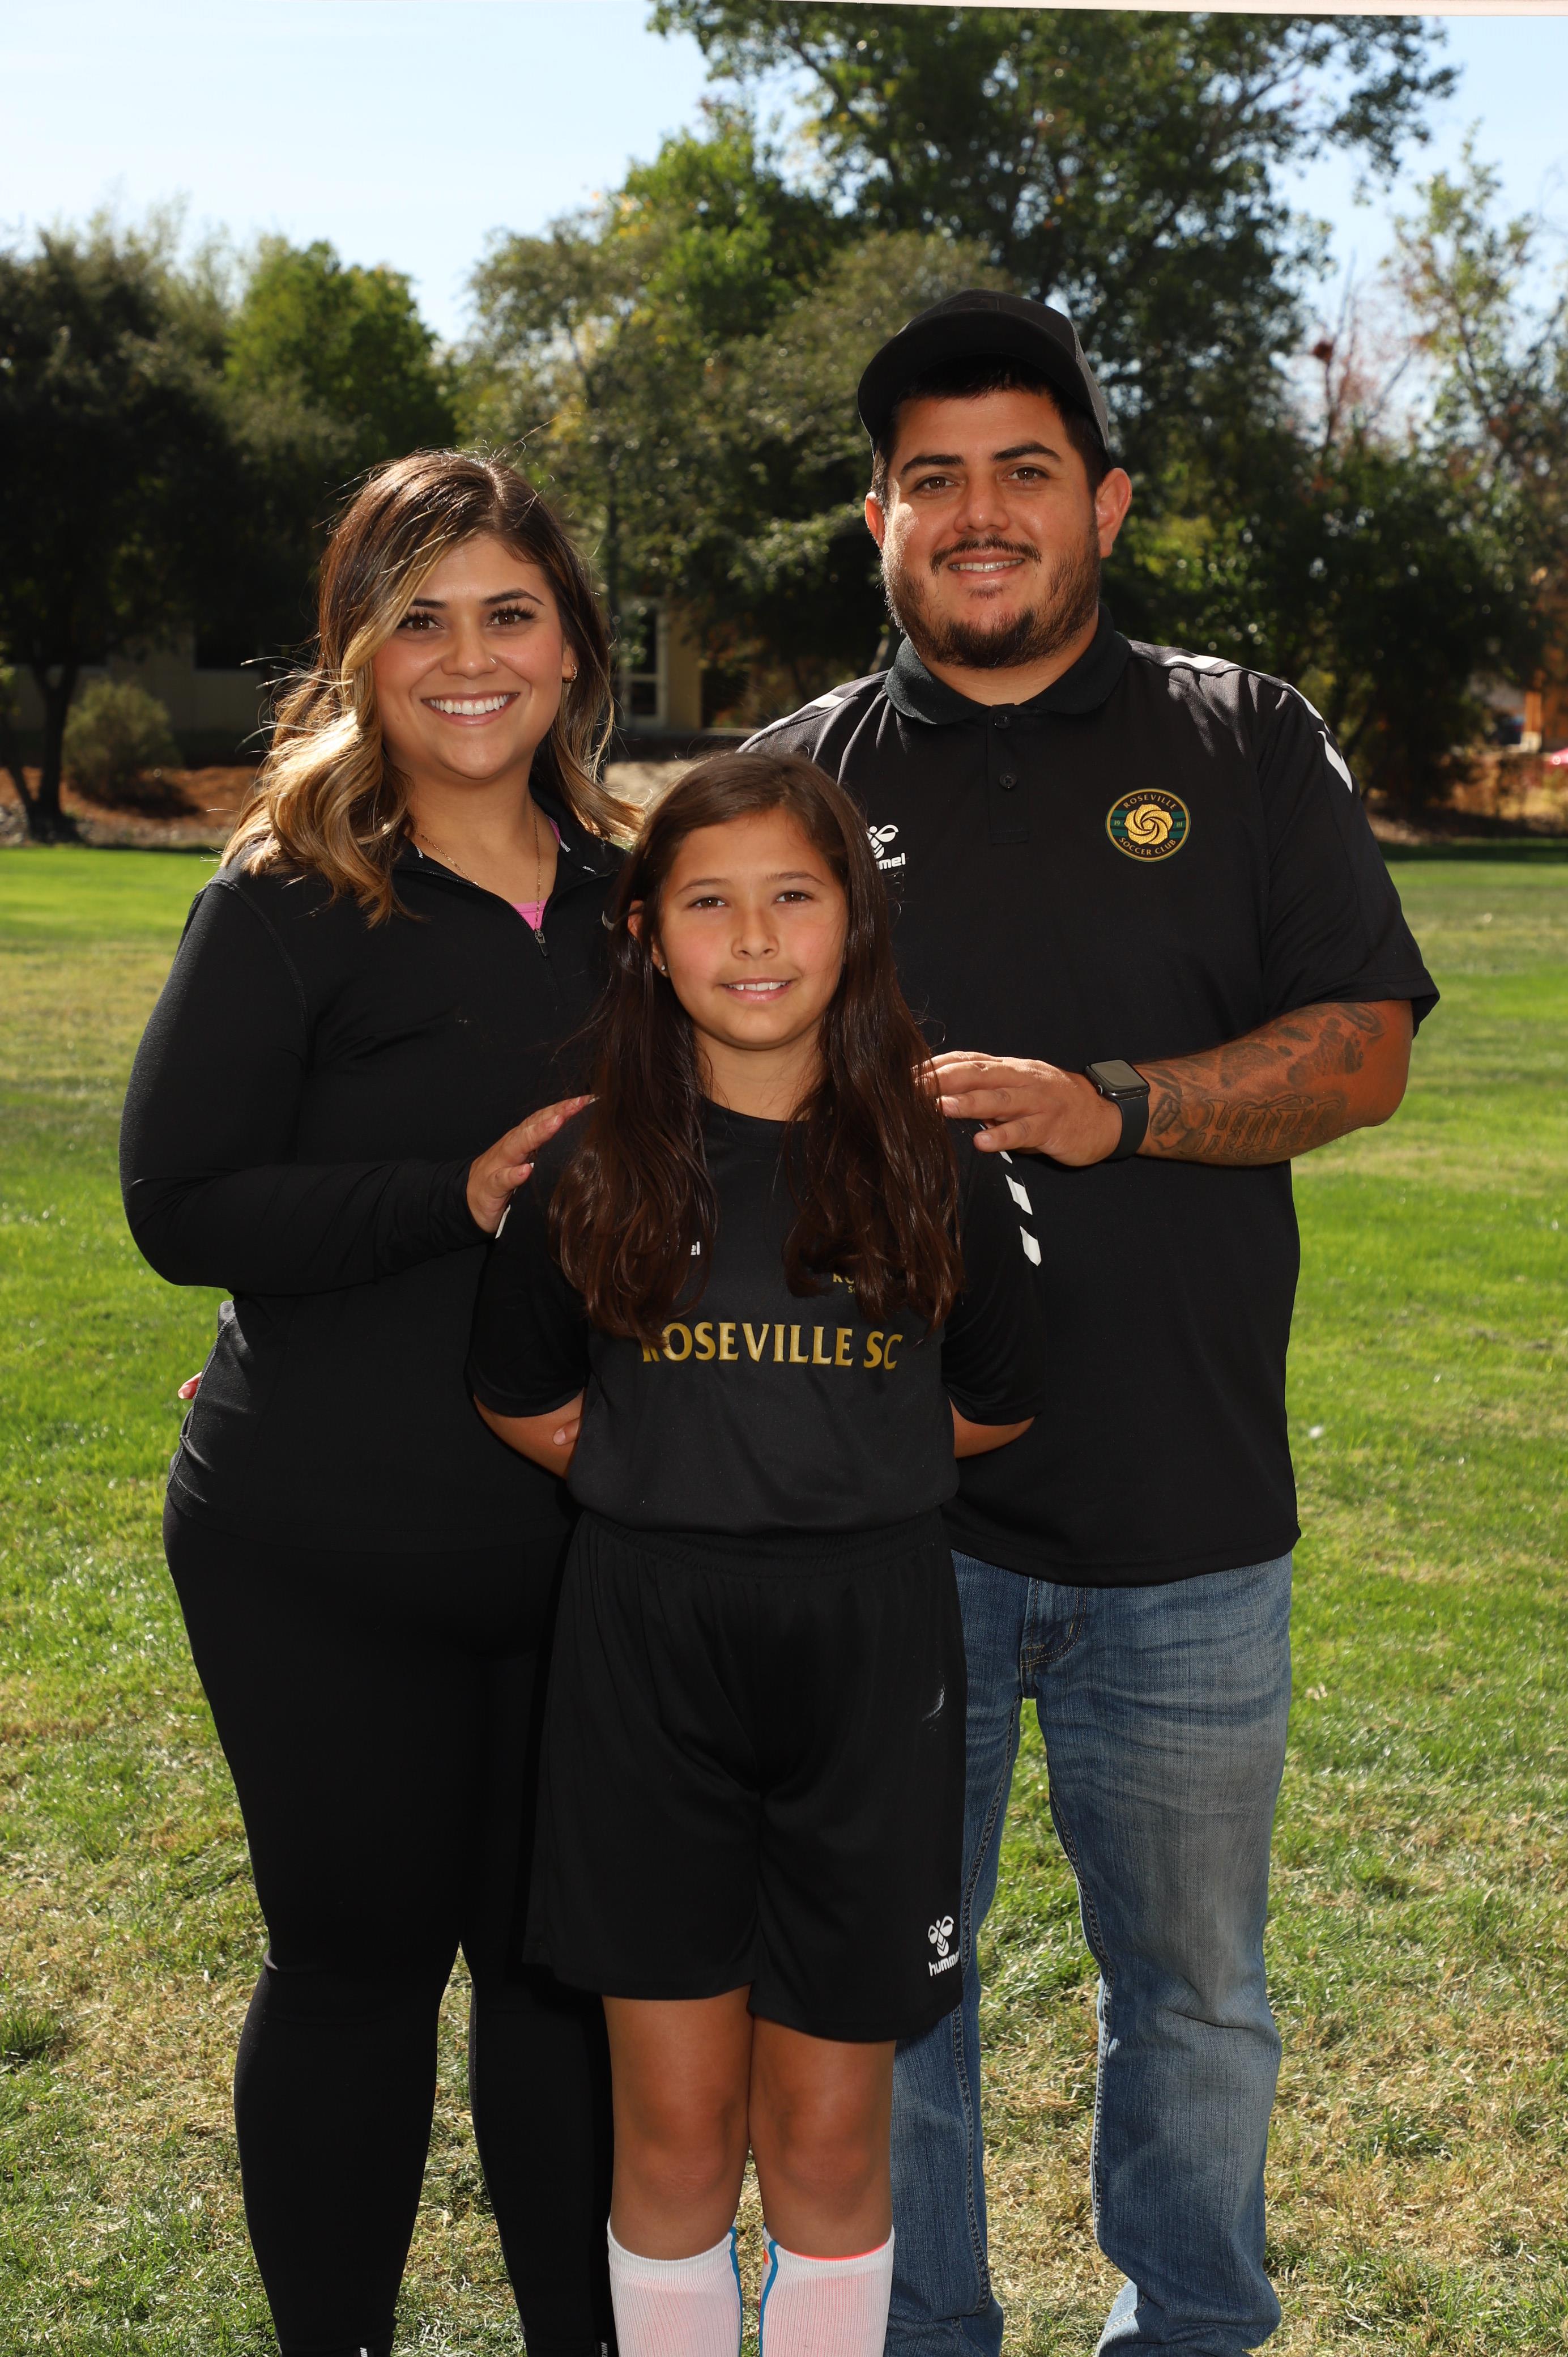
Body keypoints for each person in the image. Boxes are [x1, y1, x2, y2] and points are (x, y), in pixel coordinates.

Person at [747, 291, 1439, 2357]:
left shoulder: (1244, 737)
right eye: (934, 479)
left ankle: (1197, 2332)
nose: (981, 514)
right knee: (887, 1995)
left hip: (1188, 1522)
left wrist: (1113, 1108)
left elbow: (1366, 1048)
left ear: (1106, 505)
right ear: (879, 519)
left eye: (1025, 472)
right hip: (883, 1526)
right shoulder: (790, 782)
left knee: (1200, 1996)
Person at [120, 451, 638, 2357]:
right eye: (419, 618)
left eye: (510, 612)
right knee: (355, 1970)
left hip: (585, 1542)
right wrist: (455, 1195)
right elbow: (180, 1204)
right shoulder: (288, 899)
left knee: (558, 1979)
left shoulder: (641, 901)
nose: (469, 657)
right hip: (323, 1549)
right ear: (356, 654)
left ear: (573, 648)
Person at [465, 752, 1043, 2357]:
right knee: (672, 2131)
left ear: (857, 920)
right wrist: (675, 1473)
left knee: (832, 2136)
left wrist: (830, 1467)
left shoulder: (936, 1164)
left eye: (795, 894)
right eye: (709, 902)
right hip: (646, 1660)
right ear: (647, 936)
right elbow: (520, 1390)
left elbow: (996, 1400)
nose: (757, 936)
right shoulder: (589, 1168)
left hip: (870, 1659)